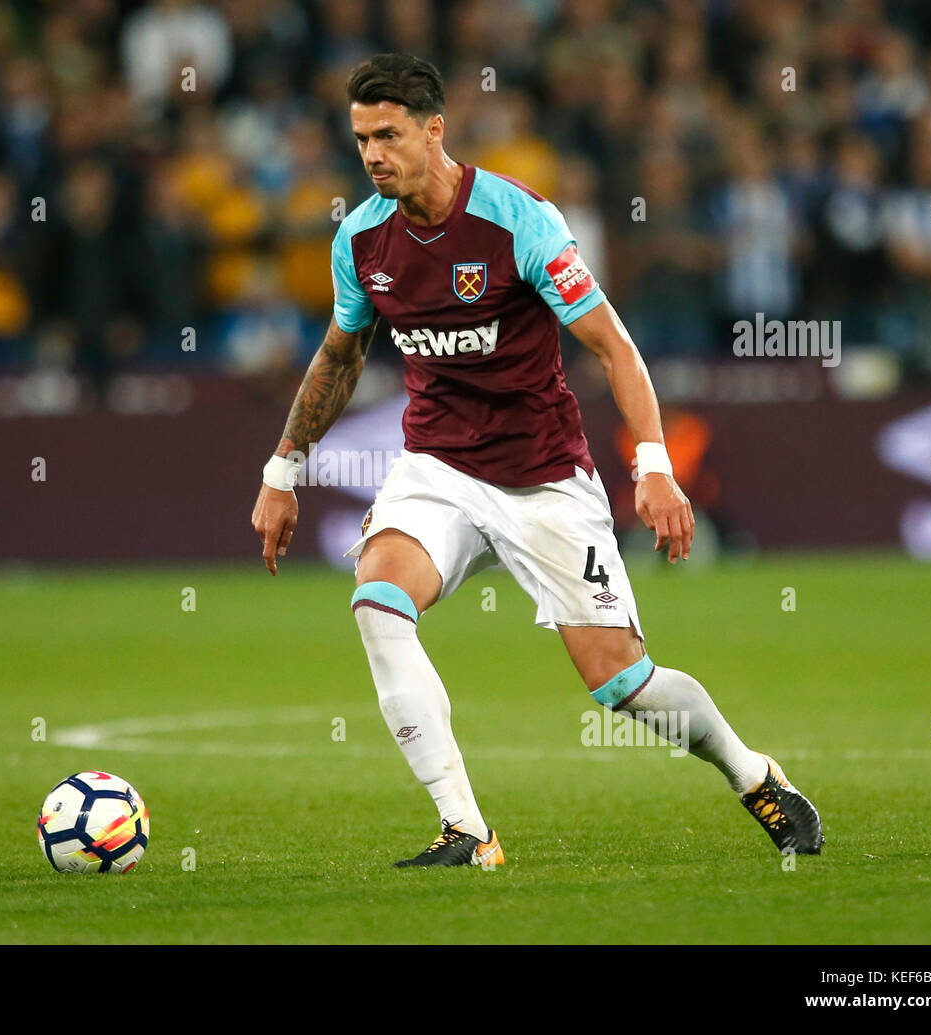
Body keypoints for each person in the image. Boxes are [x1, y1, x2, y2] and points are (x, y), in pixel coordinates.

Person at [251, 54, 822, 868]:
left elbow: (611, 346)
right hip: (437, 469)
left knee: (623, 685)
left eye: (388, 135)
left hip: (543, 479)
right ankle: (466, 829)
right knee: (378, 602)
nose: (372, 154)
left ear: (433, 129)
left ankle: (753, 771)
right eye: (361, 138)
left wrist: (653, 466)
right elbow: (341, 357)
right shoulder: (361, 238)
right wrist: (281, 471)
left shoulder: (518, 220)